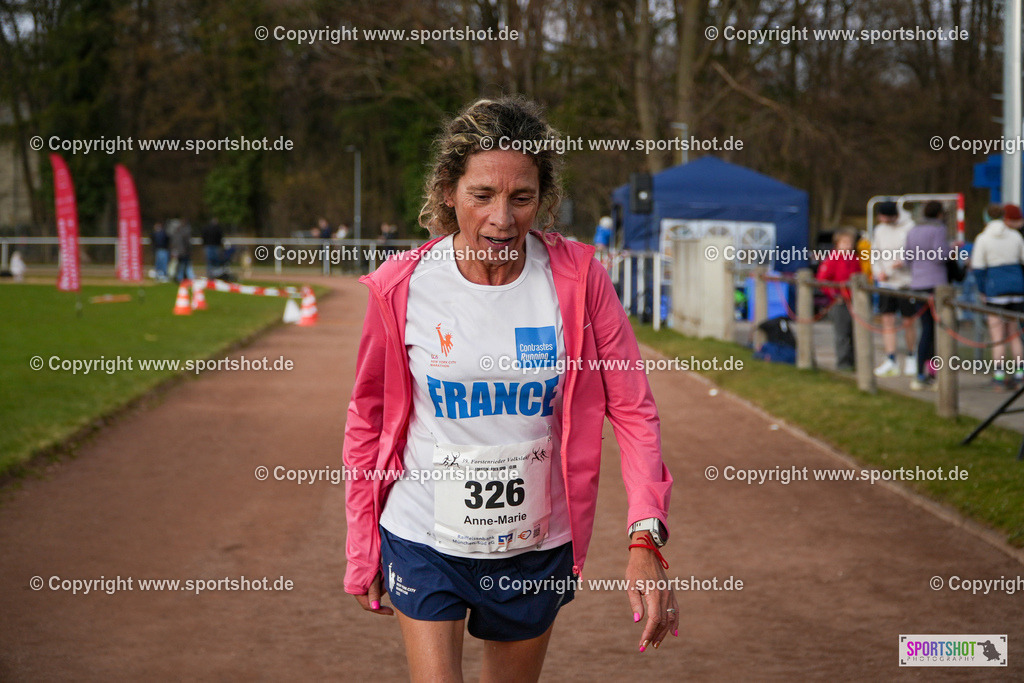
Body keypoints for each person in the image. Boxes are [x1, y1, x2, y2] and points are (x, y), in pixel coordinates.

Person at [344, 96, 676, 682]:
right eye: (482, 195)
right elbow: (367, 419)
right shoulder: (402, 286)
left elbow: (632, 409)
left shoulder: (579, 280)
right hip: (423, 534)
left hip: (535, 545)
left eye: (521, 198)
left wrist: (645, 536)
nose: (502, 219)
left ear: (542, 199)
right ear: (449, 193)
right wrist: (361, 545)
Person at [971, 203, 1024, 389]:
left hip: (995, 290)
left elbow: (978, 268)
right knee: (1014, 334)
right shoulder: (1015, 236)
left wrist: (983, 290)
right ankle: (1020, 375)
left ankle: (999, 377)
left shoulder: (983, 238)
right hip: (1017, 289)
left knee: (998, 337)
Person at [904, 200, 950, 391]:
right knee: (938, 331)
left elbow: (907, 257)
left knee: (926, 330)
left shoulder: (913, 230)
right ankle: (934, 373)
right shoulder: (939, 229)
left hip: (917, 284)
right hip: (936, 284)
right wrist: (952, 250)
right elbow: (940, 256)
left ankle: (920, 373)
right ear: (939, 214)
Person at [871, 202, 917, 376]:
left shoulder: (910, 227)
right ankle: (891, 359)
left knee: (908, 321)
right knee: (887, 320)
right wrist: (878, 272)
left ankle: (911, 357)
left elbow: (914, 252)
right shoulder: (879, 230)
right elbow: (875, 254)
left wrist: (902, 263)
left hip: (905, 282)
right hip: (886, 283)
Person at [817, 228, 861, 371]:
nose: (847, 246)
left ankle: (854, 362)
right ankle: (843, 363)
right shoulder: (832, 259)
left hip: (854, 301)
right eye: (844, 242)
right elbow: (823, 280)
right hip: (839, 302)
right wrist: (834, 294)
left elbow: (859, 277)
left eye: (850, 242)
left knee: (854, 332)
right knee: (842, 333)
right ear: (837, 243)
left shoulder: (854, 259)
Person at [168, 218, 193, 283]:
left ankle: (180, 278)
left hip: (179, 252)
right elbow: (186, 244)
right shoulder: (182, 234)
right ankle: (187, 278)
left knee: (180, 266)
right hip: (183, 252)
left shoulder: (175, 235)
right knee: (184, 265)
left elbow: (173, 245)